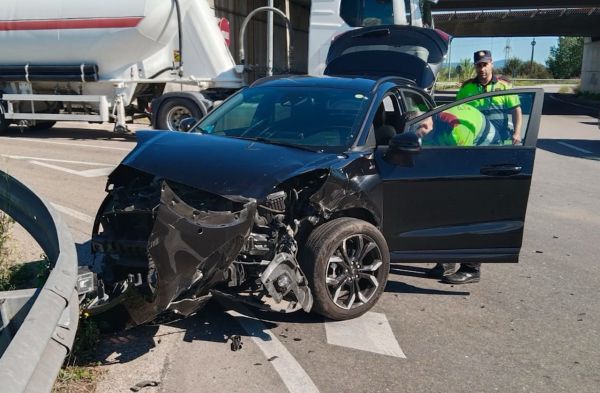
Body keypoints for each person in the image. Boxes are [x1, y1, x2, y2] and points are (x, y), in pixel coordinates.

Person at [408, 105, 491, 284]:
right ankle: (447, 260)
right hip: (460, 157)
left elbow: (461, 162)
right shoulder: (427, 132)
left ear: (429, 118)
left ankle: (471, 268)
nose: (420, 132)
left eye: (422, 126)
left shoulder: (456, 128)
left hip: (486, 155)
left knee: (466, 215)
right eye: (416, 129)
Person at [457, 50, 523, 145]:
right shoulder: (466, 88)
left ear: (492, 64)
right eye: (479, 65)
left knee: (514, 153)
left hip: (502, 139)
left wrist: (517, 133)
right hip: (476, 140)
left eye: (485, 64)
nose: (482, 69)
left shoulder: (505, 85)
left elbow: (516, 110)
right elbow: (457, 113)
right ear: (475, 66)